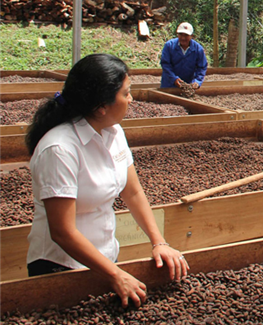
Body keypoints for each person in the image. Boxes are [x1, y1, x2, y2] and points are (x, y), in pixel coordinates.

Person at [25, 54, 189, 308]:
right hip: (60, 267)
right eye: (126, 94)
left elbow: (133, 192)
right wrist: (116, 275)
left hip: (104, 260)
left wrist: (159, 242)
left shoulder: (114, 132)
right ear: (101, 106)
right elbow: (62, 232)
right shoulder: (59, 149)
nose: (131, 100)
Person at [160, 22, 208, 89]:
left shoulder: (198, 49)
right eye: (180, 34)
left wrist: (197, 81)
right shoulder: (169, 46)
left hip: (188, 85)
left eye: (186, 35)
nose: (183, 38)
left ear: (192, 36)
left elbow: (202, 67)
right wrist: (174, 78)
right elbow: (165, 64)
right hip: (169, 84)